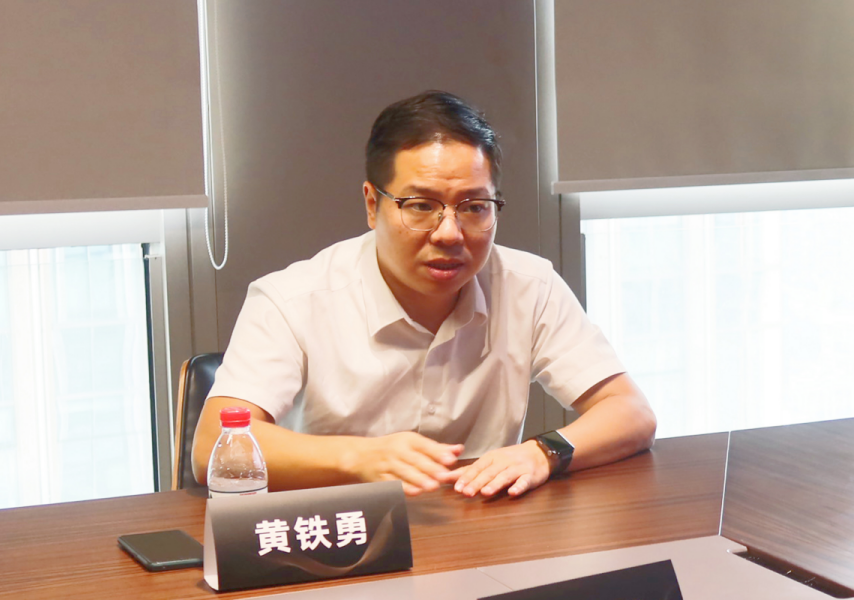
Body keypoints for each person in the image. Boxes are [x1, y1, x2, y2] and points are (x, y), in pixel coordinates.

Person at [191, 91, 656, 498]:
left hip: (477, 532)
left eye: (474, 207)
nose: (450, 233)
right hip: (339, 539)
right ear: (372, 204)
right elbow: (214, 445)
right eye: (420, 206)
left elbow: (631, 412)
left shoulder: (528, 285)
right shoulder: (292, 300)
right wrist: (361, 458)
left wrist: (544, 453)